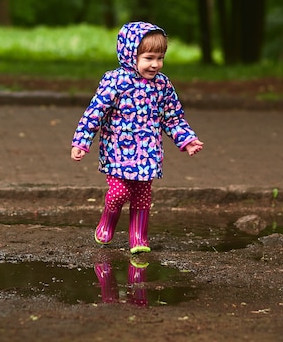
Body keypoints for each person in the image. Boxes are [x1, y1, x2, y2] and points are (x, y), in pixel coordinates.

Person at [71, 21, 203, 254]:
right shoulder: (116, 81)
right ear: (130, 54)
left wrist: (187, 139)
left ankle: (139, 236)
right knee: (120, 192)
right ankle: (108, 220)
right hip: (118, 150)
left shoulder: (162, 85)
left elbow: (172, 117)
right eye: (149, 58)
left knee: (142, 196)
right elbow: (95, 112)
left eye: (160, 58)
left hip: (148, 152)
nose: (155, 65)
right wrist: (82, 141)